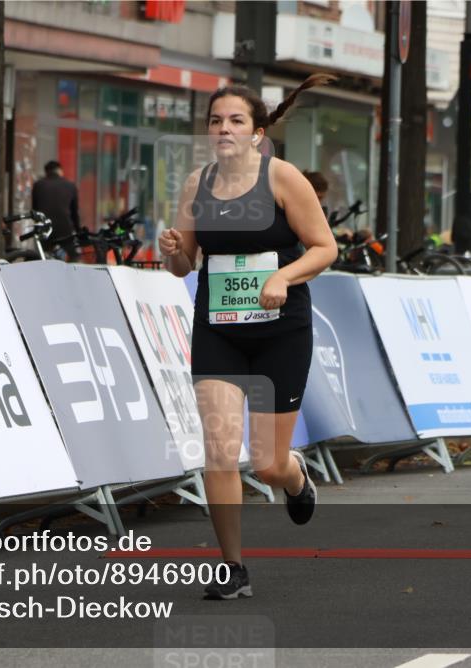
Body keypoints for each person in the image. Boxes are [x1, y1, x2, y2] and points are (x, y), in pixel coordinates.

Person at [158, 74, 339, 600]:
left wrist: (282, 277)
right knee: (218, 450)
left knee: (266, 461)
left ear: (258, 133)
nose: (224, 129)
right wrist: (172, 248)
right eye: (216, 121)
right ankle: (232, 567)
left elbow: (324, 248)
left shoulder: (283, 179)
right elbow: (182, 264)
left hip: (280, 332)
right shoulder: (198, 184)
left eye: (236, 120)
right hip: (220, 330)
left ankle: (295, 477)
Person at [31, 160, 81, 259]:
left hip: (45, 229)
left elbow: (35, 210)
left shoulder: (38, 185)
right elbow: (74, 213)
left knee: (44, 258)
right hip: (65, 229)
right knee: (74, 258)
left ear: (46, 172)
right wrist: (78, 230)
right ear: (60, 170)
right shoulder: (70, 186)